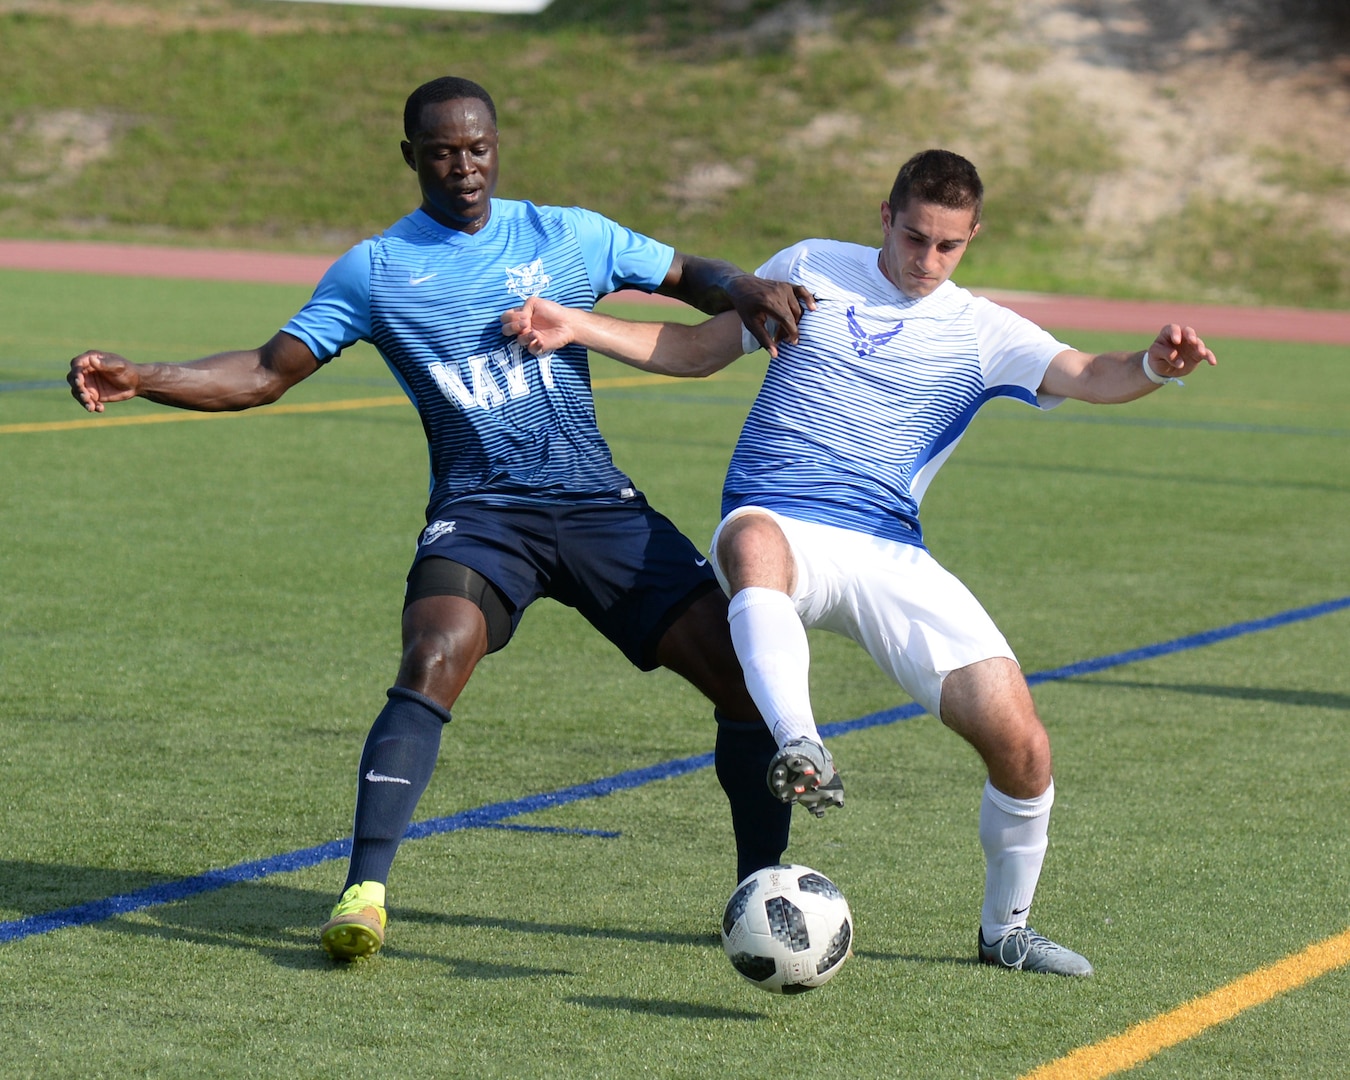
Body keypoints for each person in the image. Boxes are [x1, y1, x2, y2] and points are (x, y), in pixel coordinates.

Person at [68, 75, 818, 962]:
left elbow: (690, 275)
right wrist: (145, 375)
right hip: (479, 515)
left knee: (743, 679)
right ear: (410, 157)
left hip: (593, 505)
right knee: (432, 654)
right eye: (442, 153)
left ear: (497, 148)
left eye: (478, 150)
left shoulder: (565, 234)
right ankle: (365, 891)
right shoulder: (377, 270)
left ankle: (759, 890)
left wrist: (747, 287)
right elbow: (266, 371)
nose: (463, 169)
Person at [502, 148, 1218, 976]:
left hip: (887, 550)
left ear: (972, 238)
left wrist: (1154, 368)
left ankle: (1005, 933)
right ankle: (801, 746)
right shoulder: (810, 269)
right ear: (885, 216)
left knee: (1021, 745)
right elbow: (700, 348)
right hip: (782, 519)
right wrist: (577, 322)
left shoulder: (979, 327)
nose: (928, 260)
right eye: (915, 237)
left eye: (950, 246)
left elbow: (1091, 373)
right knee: (749, 543)